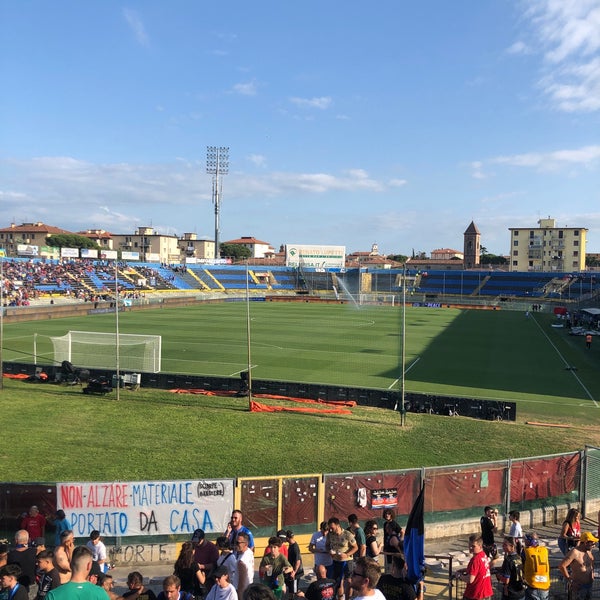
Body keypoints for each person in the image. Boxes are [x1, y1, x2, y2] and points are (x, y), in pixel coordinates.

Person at [326, 517, 358, 600]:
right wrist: (329, 551)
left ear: (337, 525)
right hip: (336, 561)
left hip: (347, 561)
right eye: (329, 527)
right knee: (338, 582)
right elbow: (327, 545)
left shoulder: (347, 534)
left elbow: (355, 547)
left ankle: (348, 598)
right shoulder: (329, 534)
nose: (330, 529)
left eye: (332, 527)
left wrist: (347, 554)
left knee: (349, 581)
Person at [559, 531, 597, 600]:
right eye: (592, 544)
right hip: (579, 587)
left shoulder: (588, 552)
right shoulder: (575, 552)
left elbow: (591, 563)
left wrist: (592, 574)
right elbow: (562, 566)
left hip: (589, 585)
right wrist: (570, 580)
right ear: (586, 542)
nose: (594, 546)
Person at [456, 534, 493, 600]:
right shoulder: (483, 555)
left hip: (476, 594)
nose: (470, 548)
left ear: (480, 546)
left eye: (473, 546)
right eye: (469, 545)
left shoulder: (475, 560)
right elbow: (480, 569)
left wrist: (459, 576)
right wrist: (466, 569)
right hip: (486, 592)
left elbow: (470, 580)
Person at [522, 533, 549, 600]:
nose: (524, 541)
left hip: (534, 585)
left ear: (530, 541)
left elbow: (522, 563)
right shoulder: (544, 550)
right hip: (545, 585)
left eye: (526, 540)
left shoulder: (526, 551)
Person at [284, 532, 303, 598]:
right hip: (291, 571)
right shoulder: (291, 544)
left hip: (295, 573)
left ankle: (304, 596)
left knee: (294, 591)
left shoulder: (295, 547)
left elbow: (298, 561)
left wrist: (294, 572)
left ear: (288, 538)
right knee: (291, 589)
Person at [235, 533, 254, 599]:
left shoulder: (242, 561)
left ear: (246, 544)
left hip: (242, 592)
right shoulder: (249, 552)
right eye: (235, 542)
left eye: (238, 543)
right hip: (249, 589)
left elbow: (241, 583)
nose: (236, 545)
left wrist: (239, 596)